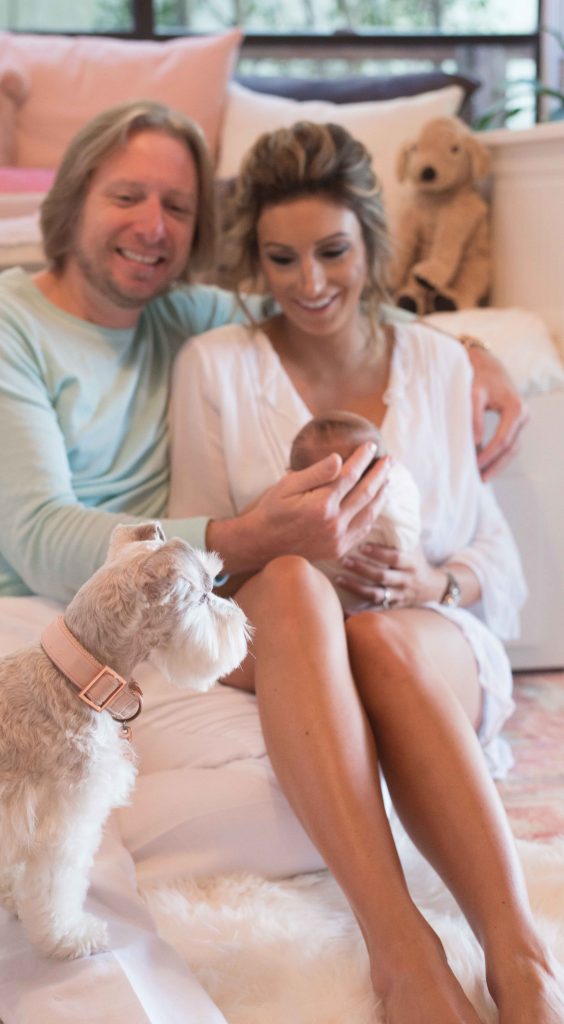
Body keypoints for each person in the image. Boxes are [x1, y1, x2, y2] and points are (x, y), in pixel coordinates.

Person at [0, 100, 541, 1024]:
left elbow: (325, 301)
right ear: (72, 202)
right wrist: (252, 533)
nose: (153, 227)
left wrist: (469, 346)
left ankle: (422, 953)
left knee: (263, 647)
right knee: (27, 837)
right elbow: (45, 538)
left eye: (178, 206)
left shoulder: (184, 316)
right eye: (128, 195)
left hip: (115, 620)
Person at [167, 120, 564, 1023]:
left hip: (420, 635)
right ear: (253, 263)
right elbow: (191, 554)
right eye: (281, 258)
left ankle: (524, 963)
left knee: (382, 638)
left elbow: (496, 562)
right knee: (301, 590)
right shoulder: (214, 369)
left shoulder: (438, 363)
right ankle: (405, 957)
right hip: (280, 636)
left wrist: (434, 584)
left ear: (371, 242)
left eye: (333, 251)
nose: (310, 283)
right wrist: (278, 540)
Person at [288, 411, 421, 613]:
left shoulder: (393, 492)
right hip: (318, 606)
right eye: (327, 482)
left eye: (362, 473)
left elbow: (407, 538)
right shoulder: (284, 507)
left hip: (391, 607)